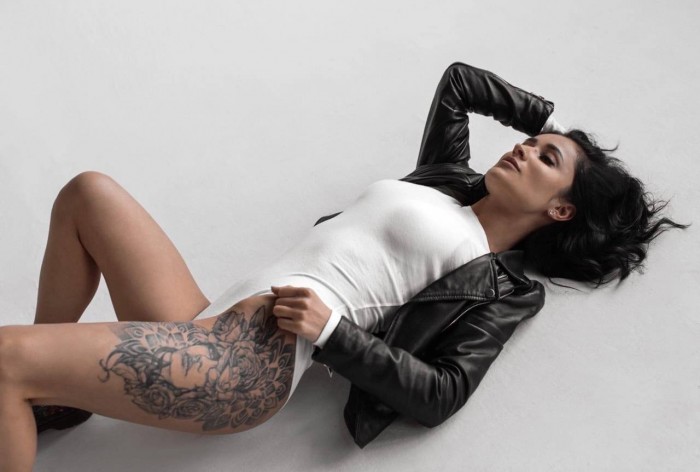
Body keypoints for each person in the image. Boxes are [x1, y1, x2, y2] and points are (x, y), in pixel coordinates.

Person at [0, 61, 687, 469]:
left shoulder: (500, 282)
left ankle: (33, 379)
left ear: (562, 209)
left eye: (546, 157)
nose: (525, 149)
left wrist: (334, 333)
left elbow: (442, 392)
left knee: (5, 360)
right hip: (205, 321)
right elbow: (458, 83)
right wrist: (551, 118)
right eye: (531, 141)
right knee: (89, 192)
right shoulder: (446, 178)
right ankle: (58, 398)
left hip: (248, 362)